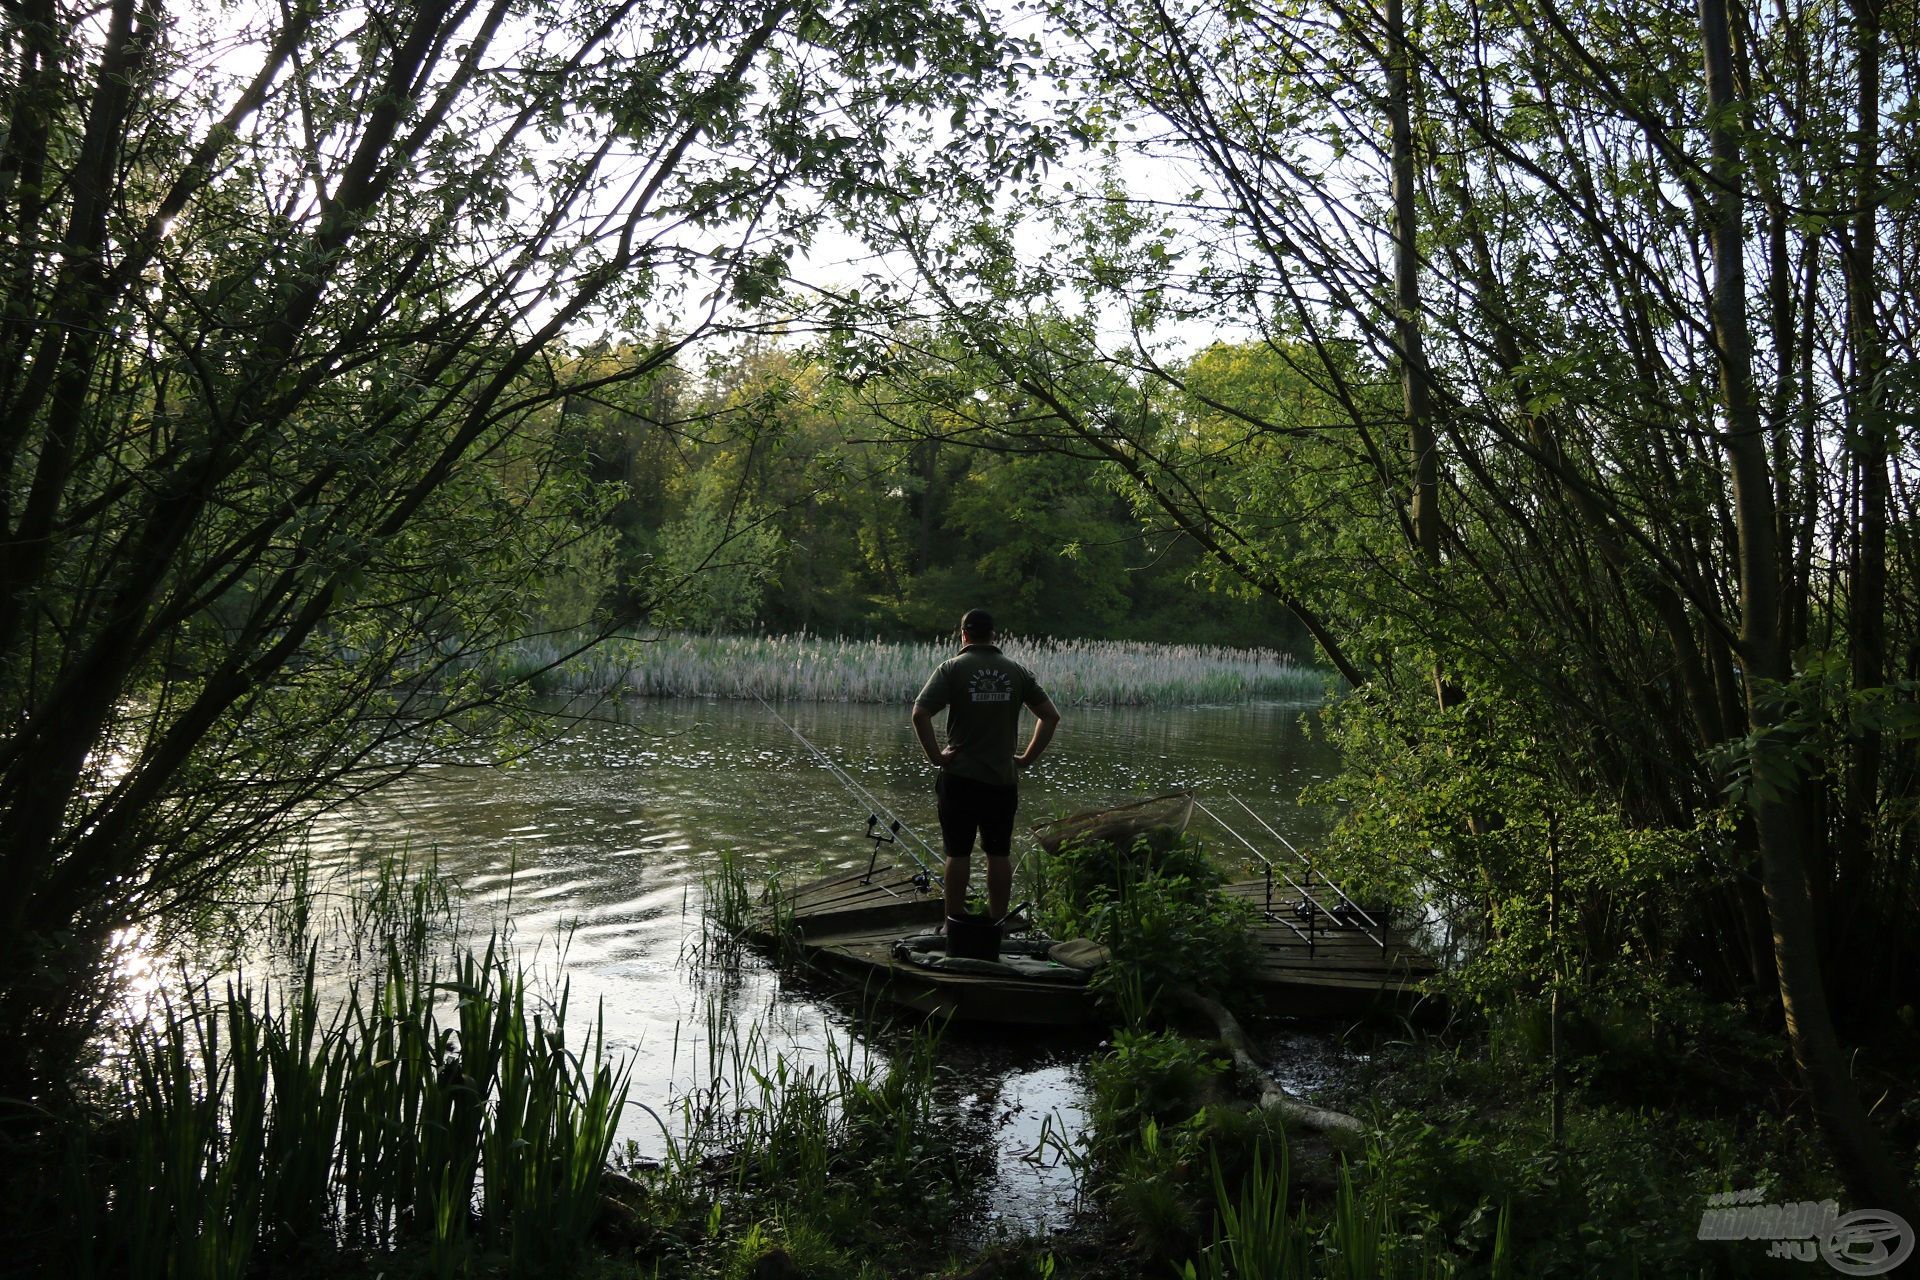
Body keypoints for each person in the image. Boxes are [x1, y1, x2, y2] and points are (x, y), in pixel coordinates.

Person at [910, 609, 1061, 925]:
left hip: (960, 778)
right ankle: (996, 921)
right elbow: (1050, 716)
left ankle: (954, 921)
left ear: (963, 634)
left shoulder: (951, 668)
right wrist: (1026, 758)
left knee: (958, 852)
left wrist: (936, 757)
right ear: (994, 635)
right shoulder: (1016, 672)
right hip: (1002, 781)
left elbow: (920, 713)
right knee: (998, 852)